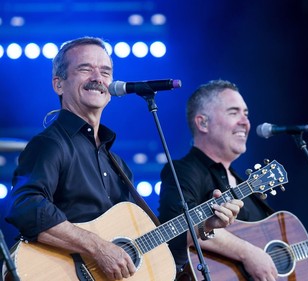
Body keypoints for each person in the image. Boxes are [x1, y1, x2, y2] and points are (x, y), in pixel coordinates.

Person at [3, 38, 243, 281]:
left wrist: (203, 227)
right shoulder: (51, 143)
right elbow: (26, 207)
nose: (98, 77)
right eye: (85, 68)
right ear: (59, 84)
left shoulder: (117, 164)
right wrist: (97, 247)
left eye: (105, 71)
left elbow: (155, 257)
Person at [158, 79, 308, 281]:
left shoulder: (248, 187)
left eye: (247, 114)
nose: (246, 122)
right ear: (203, 123)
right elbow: (175, 230)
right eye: (234, 113)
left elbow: (280, 263)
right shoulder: (184, 170)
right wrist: (247, 252)